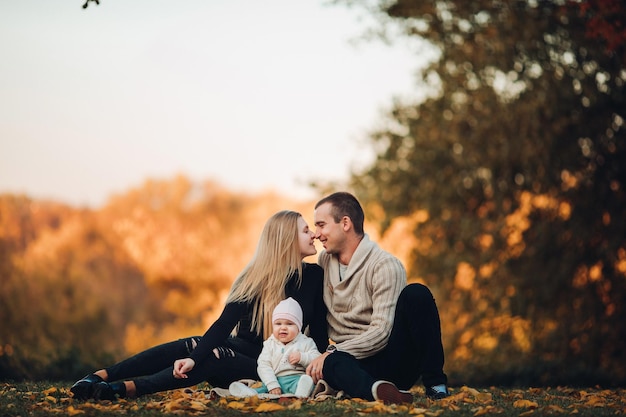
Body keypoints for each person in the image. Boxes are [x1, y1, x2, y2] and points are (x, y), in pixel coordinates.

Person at [70, 210, 328, 401]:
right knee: (194, 344)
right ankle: (101, 376)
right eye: (306, 230)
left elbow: (317, 329)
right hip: (240, 348)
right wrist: (193, 358)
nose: (313, 234)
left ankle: (127, 389)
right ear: (285, 239)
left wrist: (320, 360)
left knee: (215, 355)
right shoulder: (255, 277)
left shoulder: (314, 276)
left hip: (270, 363)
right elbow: (224, 324)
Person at [306, 192, 449, 404]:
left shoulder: (385, 266)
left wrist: (333, 351)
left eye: (321, 225)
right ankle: (377, 391)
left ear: (345, 223)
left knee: (417, 294)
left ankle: (436, 385)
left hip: (391, 359)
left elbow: (381, 332)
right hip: (350, 364)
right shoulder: (324, 261)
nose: (316, 234)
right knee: (331, 363)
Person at [229, 297, 319, 398]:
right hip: (275, 379)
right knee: (263, 388)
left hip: (296, 379)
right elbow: (264, 365)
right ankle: (249, 393)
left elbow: (317, 359)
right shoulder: (269, 344)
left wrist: (302, 357)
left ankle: (301, 392)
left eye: (289, 324)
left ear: (299, 327)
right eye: (278, 323)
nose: (283, 327)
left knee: (305, 381)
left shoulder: (306, 342)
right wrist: (272, 384)